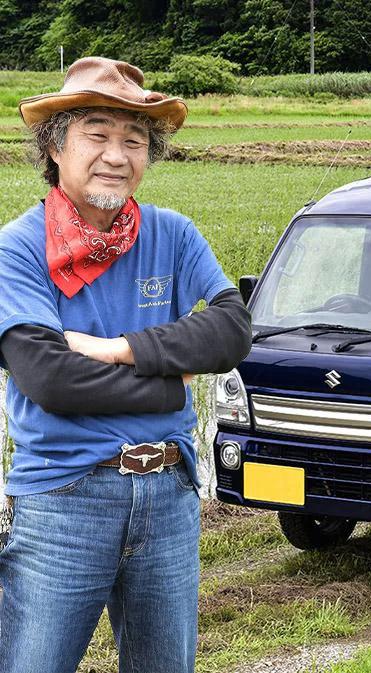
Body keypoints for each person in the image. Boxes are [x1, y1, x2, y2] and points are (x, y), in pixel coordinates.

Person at [0, 56, 252, 673]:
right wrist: (171, 387)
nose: (117, 154)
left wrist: (122, 348)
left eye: (134, 139)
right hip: (64, 498)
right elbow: (51, 379)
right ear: (55, 147)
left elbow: (231, 328)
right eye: (97, 134)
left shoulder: (173, 234)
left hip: (168, 495)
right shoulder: (19, 248)